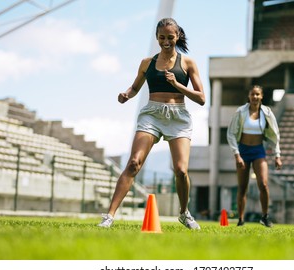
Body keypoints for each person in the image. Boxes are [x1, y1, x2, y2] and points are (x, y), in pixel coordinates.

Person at [98, 18, 205, 230]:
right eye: (162, 37)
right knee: (133, 163)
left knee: (181, 170)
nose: (166, 41)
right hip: (152, 114)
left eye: (170, 37)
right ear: (157, 38)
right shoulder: (147, 63)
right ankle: (109, 216)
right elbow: (135, 87)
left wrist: (177, 85)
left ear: (178, 37)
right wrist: (126, 95)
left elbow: (201, 98)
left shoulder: (188, 63)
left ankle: (184, 213)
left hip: (178, 117)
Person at [227, 85, 282, 227]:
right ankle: (240, 219)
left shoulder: (267, 113)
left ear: (261, 96)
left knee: (263, 184)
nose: (255, 97)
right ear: (249, 96)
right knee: (242, 187)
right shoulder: (240, 112)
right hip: (243, 151)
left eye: (257, 94)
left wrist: (277, 155)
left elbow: (275, 134)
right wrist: (237, 155)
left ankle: (264, 217)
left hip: (259, 151)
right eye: (252, 94)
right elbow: (231, 134)